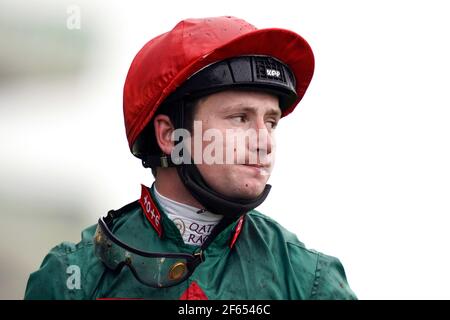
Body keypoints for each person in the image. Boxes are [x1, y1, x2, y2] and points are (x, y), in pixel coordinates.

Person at [24, 16, 356, 300]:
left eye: (270, 121)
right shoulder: (71, 277)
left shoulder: (313, 282)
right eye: (240, 118)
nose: (264, 142)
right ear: (170, 136)